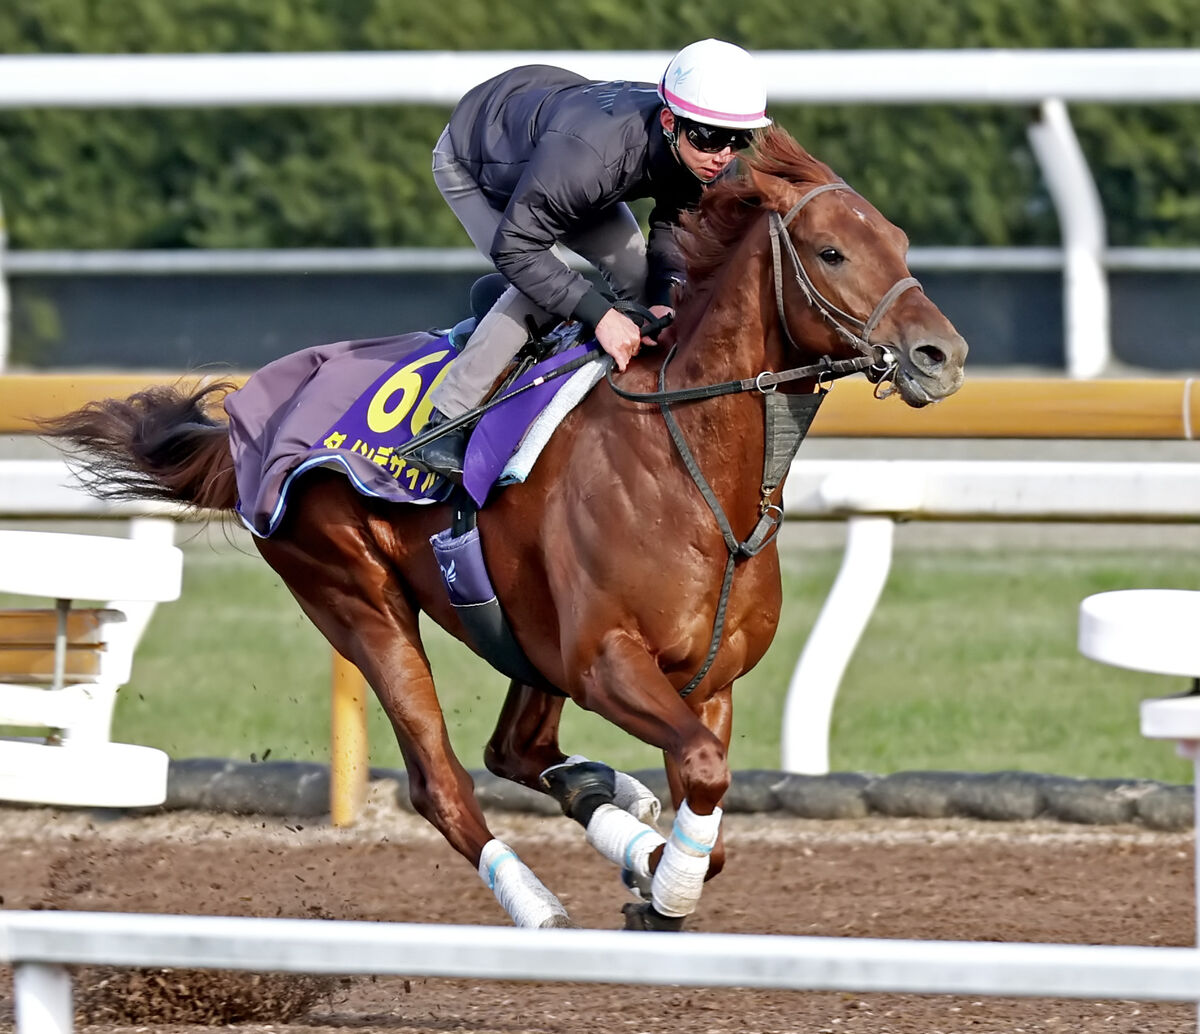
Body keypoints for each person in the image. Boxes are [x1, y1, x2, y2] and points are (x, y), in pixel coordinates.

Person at [408, 38, 772, 482]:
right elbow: (517, 247)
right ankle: (446, 420)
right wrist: (600, 315)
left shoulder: (702, 154)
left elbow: (676, 229)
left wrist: (661, 298)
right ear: (668, 121)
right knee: (544, 292)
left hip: (560, 157)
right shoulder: (590, 158)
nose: (723, 154)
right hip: (480, 163)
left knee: (644, 282)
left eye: (739, 139)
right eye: (710, 137)